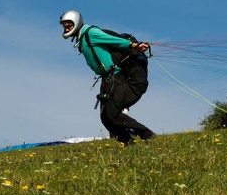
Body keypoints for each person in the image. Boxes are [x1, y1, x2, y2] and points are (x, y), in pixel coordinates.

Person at [60, 10, 156, 144]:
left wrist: (134, 46)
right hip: (108, 78)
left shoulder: (90, 33)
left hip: (117, 76)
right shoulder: (82, 38)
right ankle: (126, 142)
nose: (66, 28)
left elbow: (114, 41)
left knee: (112, 114)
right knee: (105, 117)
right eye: (64, 25)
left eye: (69, 24)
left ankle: (147, 134)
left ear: (76, 22)